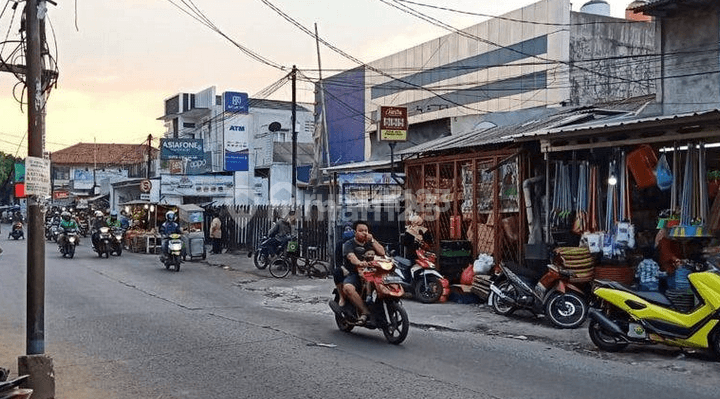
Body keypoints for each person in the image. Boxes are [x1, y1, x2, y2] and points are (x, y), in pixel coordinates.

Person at [341, 220, 386, 325]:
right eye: (361, 230)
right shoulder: (349, 243)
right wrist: (359, 263)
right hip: (355, 273)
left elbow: (382, 252)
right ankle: (364, 311)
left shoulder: (370, 242)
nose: (364, 233)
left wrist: (373, 240)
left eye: (366, 230)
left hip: (373, 273)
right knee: (348, 287)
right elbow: (351, 257)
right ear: (355, 232)